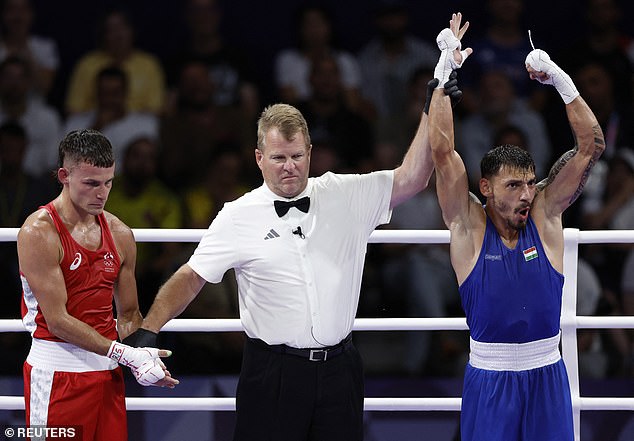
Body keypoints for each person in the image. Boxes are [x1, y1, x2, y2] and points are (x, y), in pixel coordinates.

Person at [124, 56, 462, 439]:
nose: (289, 167)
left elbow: (413, 178)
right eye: (279, 158)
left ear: (310, 153)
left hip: (340, 369)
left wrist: (431, 103)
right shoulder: (239, 214)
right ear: (259, 159)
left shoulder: (343, 193)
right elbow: (191, 276)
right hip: (272, 372)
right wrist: (149, 329)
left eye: (297, 156)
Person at [428, 12, 605, 441]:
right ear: (485, 187)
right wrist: (443, 73)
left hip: (548, 373)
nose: (526, 194)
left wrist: (561, 81)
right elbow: (441, 151)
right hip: (489, 378)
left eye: (529, 183)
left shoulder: (545, 215)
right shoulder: (467, 224)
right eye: (513, 186)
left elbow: (591, 146)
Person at [17, 129, 178, 440]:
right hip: (57, 377)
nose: (102, 194)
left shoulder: (120, 234)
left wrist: (142, 358)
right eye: (91, 183)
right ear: (64, 175)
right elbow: (58, 320)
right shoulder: (38, 232)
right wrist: (123, 354)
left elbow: (129, 314)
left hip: (107, 377)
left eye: (108, 182)